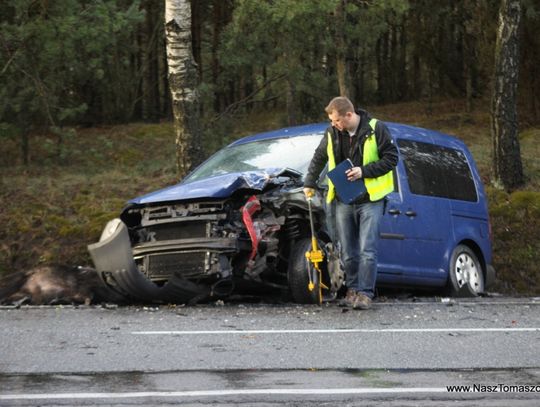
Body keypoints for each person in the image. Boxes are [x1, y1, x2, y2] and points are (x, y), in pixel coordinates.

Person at [303, 96, 398, 309]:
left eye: (337, 120)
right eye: (332, 121)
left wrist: (364, 172)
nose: (334, 124)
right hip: (344, 200)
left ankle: (365, 293)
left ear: (349, 114)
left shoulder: (376, 129)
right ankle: (352, 290)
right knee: (347, 250)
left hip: (371, 199)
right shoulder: (332, 133)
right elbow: (319, 158)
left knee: (367, 249)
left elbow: (392, 158)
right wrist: (309, 182)